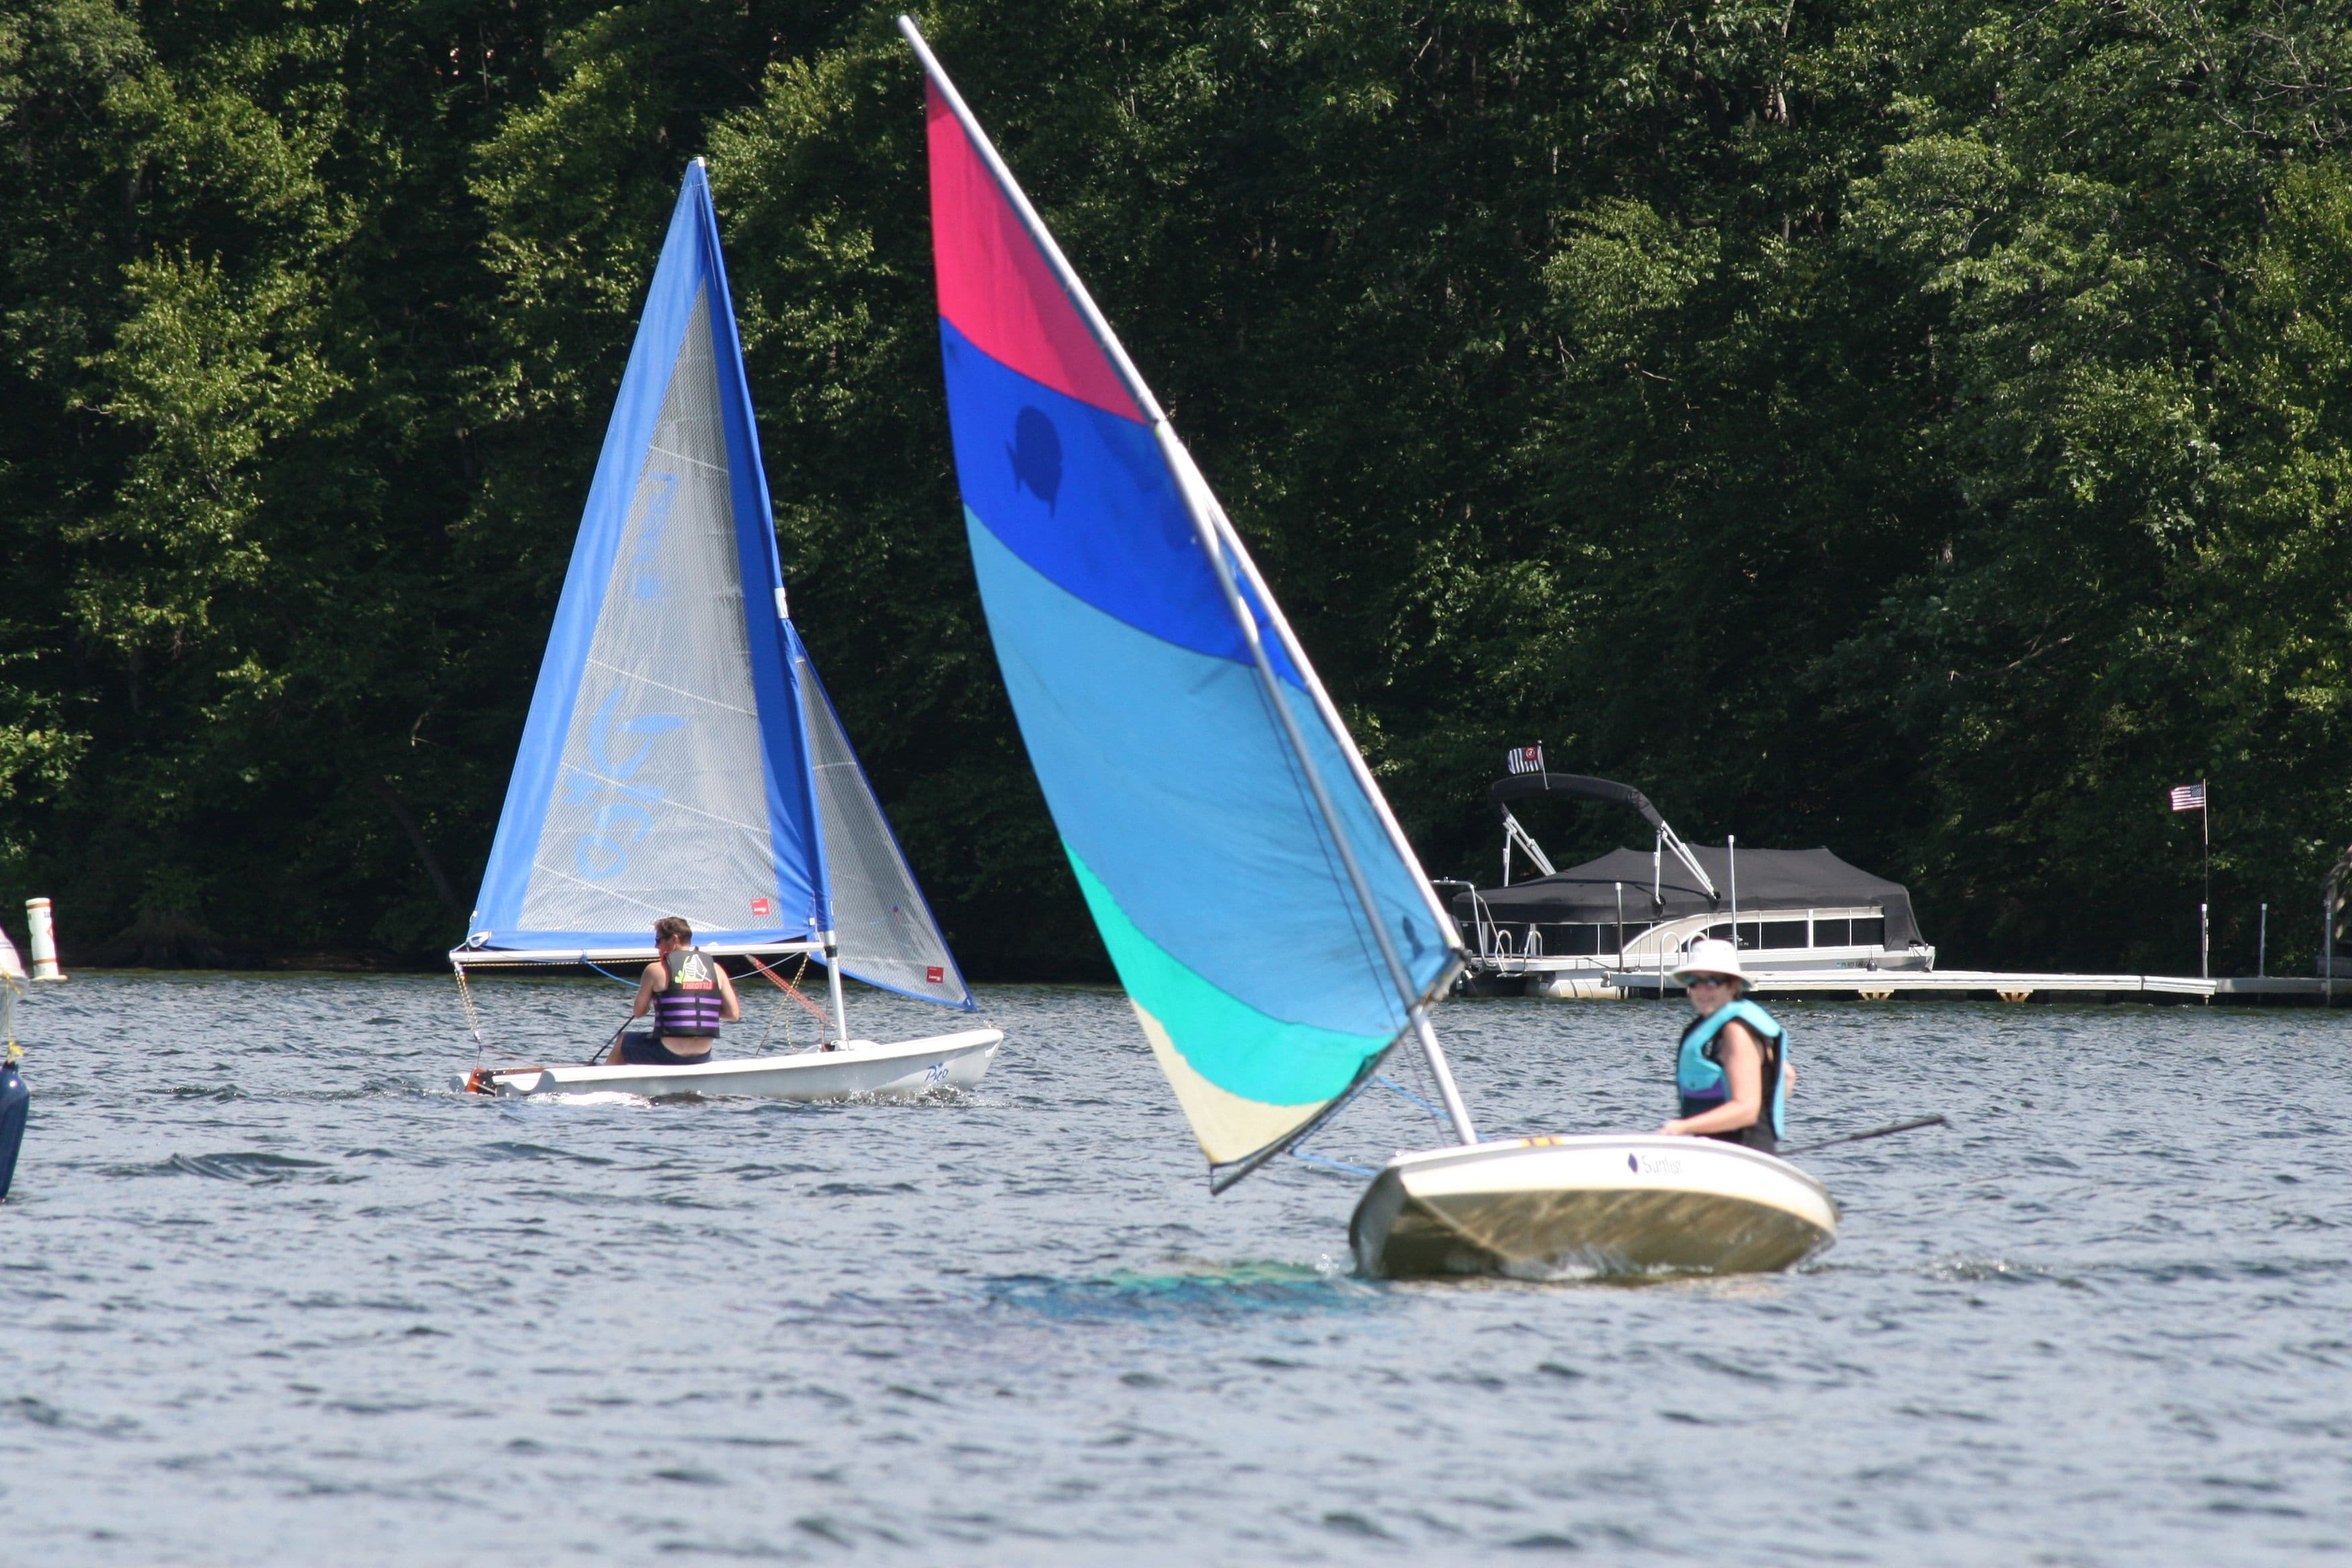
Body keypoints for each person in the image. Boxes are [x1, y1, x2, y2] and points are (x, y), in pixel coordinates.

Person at [1657, 937, 1794, 1151]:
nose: (1702, 991)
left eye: (1712, 982)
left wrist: (1681, 1127)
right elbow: (1787, 1075)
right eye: (1695, 982)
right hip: (1724, 1152)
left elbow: (1746, 1109)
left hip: (1743, 1154)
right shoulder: (1717, 1026)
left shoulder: (1736, 1032)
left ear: (1733, 986)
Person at [608, 916, 740, 1066]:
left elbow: (639, 1012)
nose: (656, 947)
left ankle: (606, 1087)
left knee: (622, 1041)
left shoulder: (655, 969)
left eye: (658, 941)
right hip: (703, 1053)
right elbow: (733, 1015)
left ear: (674, 940)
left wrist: (664, 1002)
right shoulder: (716, 969)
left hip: (668, 1052)